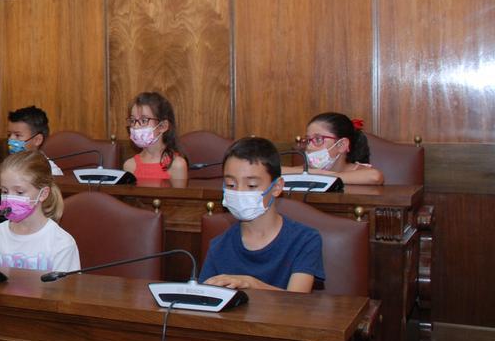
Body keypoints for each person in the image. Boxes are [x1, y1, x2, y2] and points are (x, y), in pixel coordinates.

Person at [200, 137, 325, 292]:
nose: (239, 192)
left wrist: (252, 284)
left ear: (277, 187)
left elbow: (297, 301)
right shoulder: (219, 246)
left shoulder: (304, 239)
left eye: (252, 185)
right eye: (231, 185)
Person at [0, 151, 79, 272]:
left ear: (43, 193)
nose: (10, 198)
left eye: (19, 192)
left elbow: (65, 289)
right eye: (4, 191)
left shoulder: (62, 244)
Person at [283, 112, 384, 185]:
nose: (309, 147)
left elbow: (375, 177)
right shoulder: (309, 169)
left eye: (318, 139)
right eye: (308, 140)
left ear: (342, 145)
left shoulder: (358, 170)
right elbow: (277, 171)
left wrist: (321, 175)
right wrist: (316, 172)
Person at [122, 92, 188, 182]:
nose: (136, 126)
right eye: (133, 120)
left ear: (163, 126)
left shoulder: (177, 165)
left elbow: (179, 196)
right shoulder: (129, 165)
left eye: (144, 120)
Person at [7, 105, 62, 175]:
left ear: (37, 140)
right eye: (9, 135)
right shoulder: (8, 166)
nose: (11, 139)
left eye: (17, 135)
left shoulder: (50, 172)